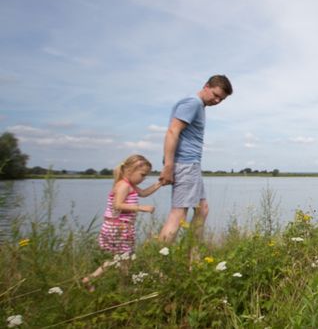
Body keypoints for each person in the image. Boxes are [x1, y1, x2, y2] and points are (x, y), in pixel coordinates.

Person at [158, 75, 233, 244]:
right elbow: (172, 132)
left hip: (191, 165)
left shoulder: (199, 106)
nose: (217, 100)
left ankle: (193, 256)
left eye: (221, 99)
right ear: (206, 86)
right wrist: (168, 166)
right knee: (178, 214)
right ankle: (156, 263)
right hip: (185, 164)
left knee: (202, 210)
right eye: (215, 95)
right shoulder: (192, 103)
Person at [82, 154, 163, 291]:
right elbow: (117, 205)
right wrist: (140, 208)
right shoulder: (124, 186)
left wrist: (159, 183)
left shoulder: (128, 184)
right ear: (130, 170)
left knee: (118, 258)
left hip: (115, 226)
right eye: (142, 175)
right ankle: (122, 286)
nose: (143, 179)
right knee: (124, 258)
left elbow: (143, 193)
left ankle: (92, 279)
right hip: (119, 227)